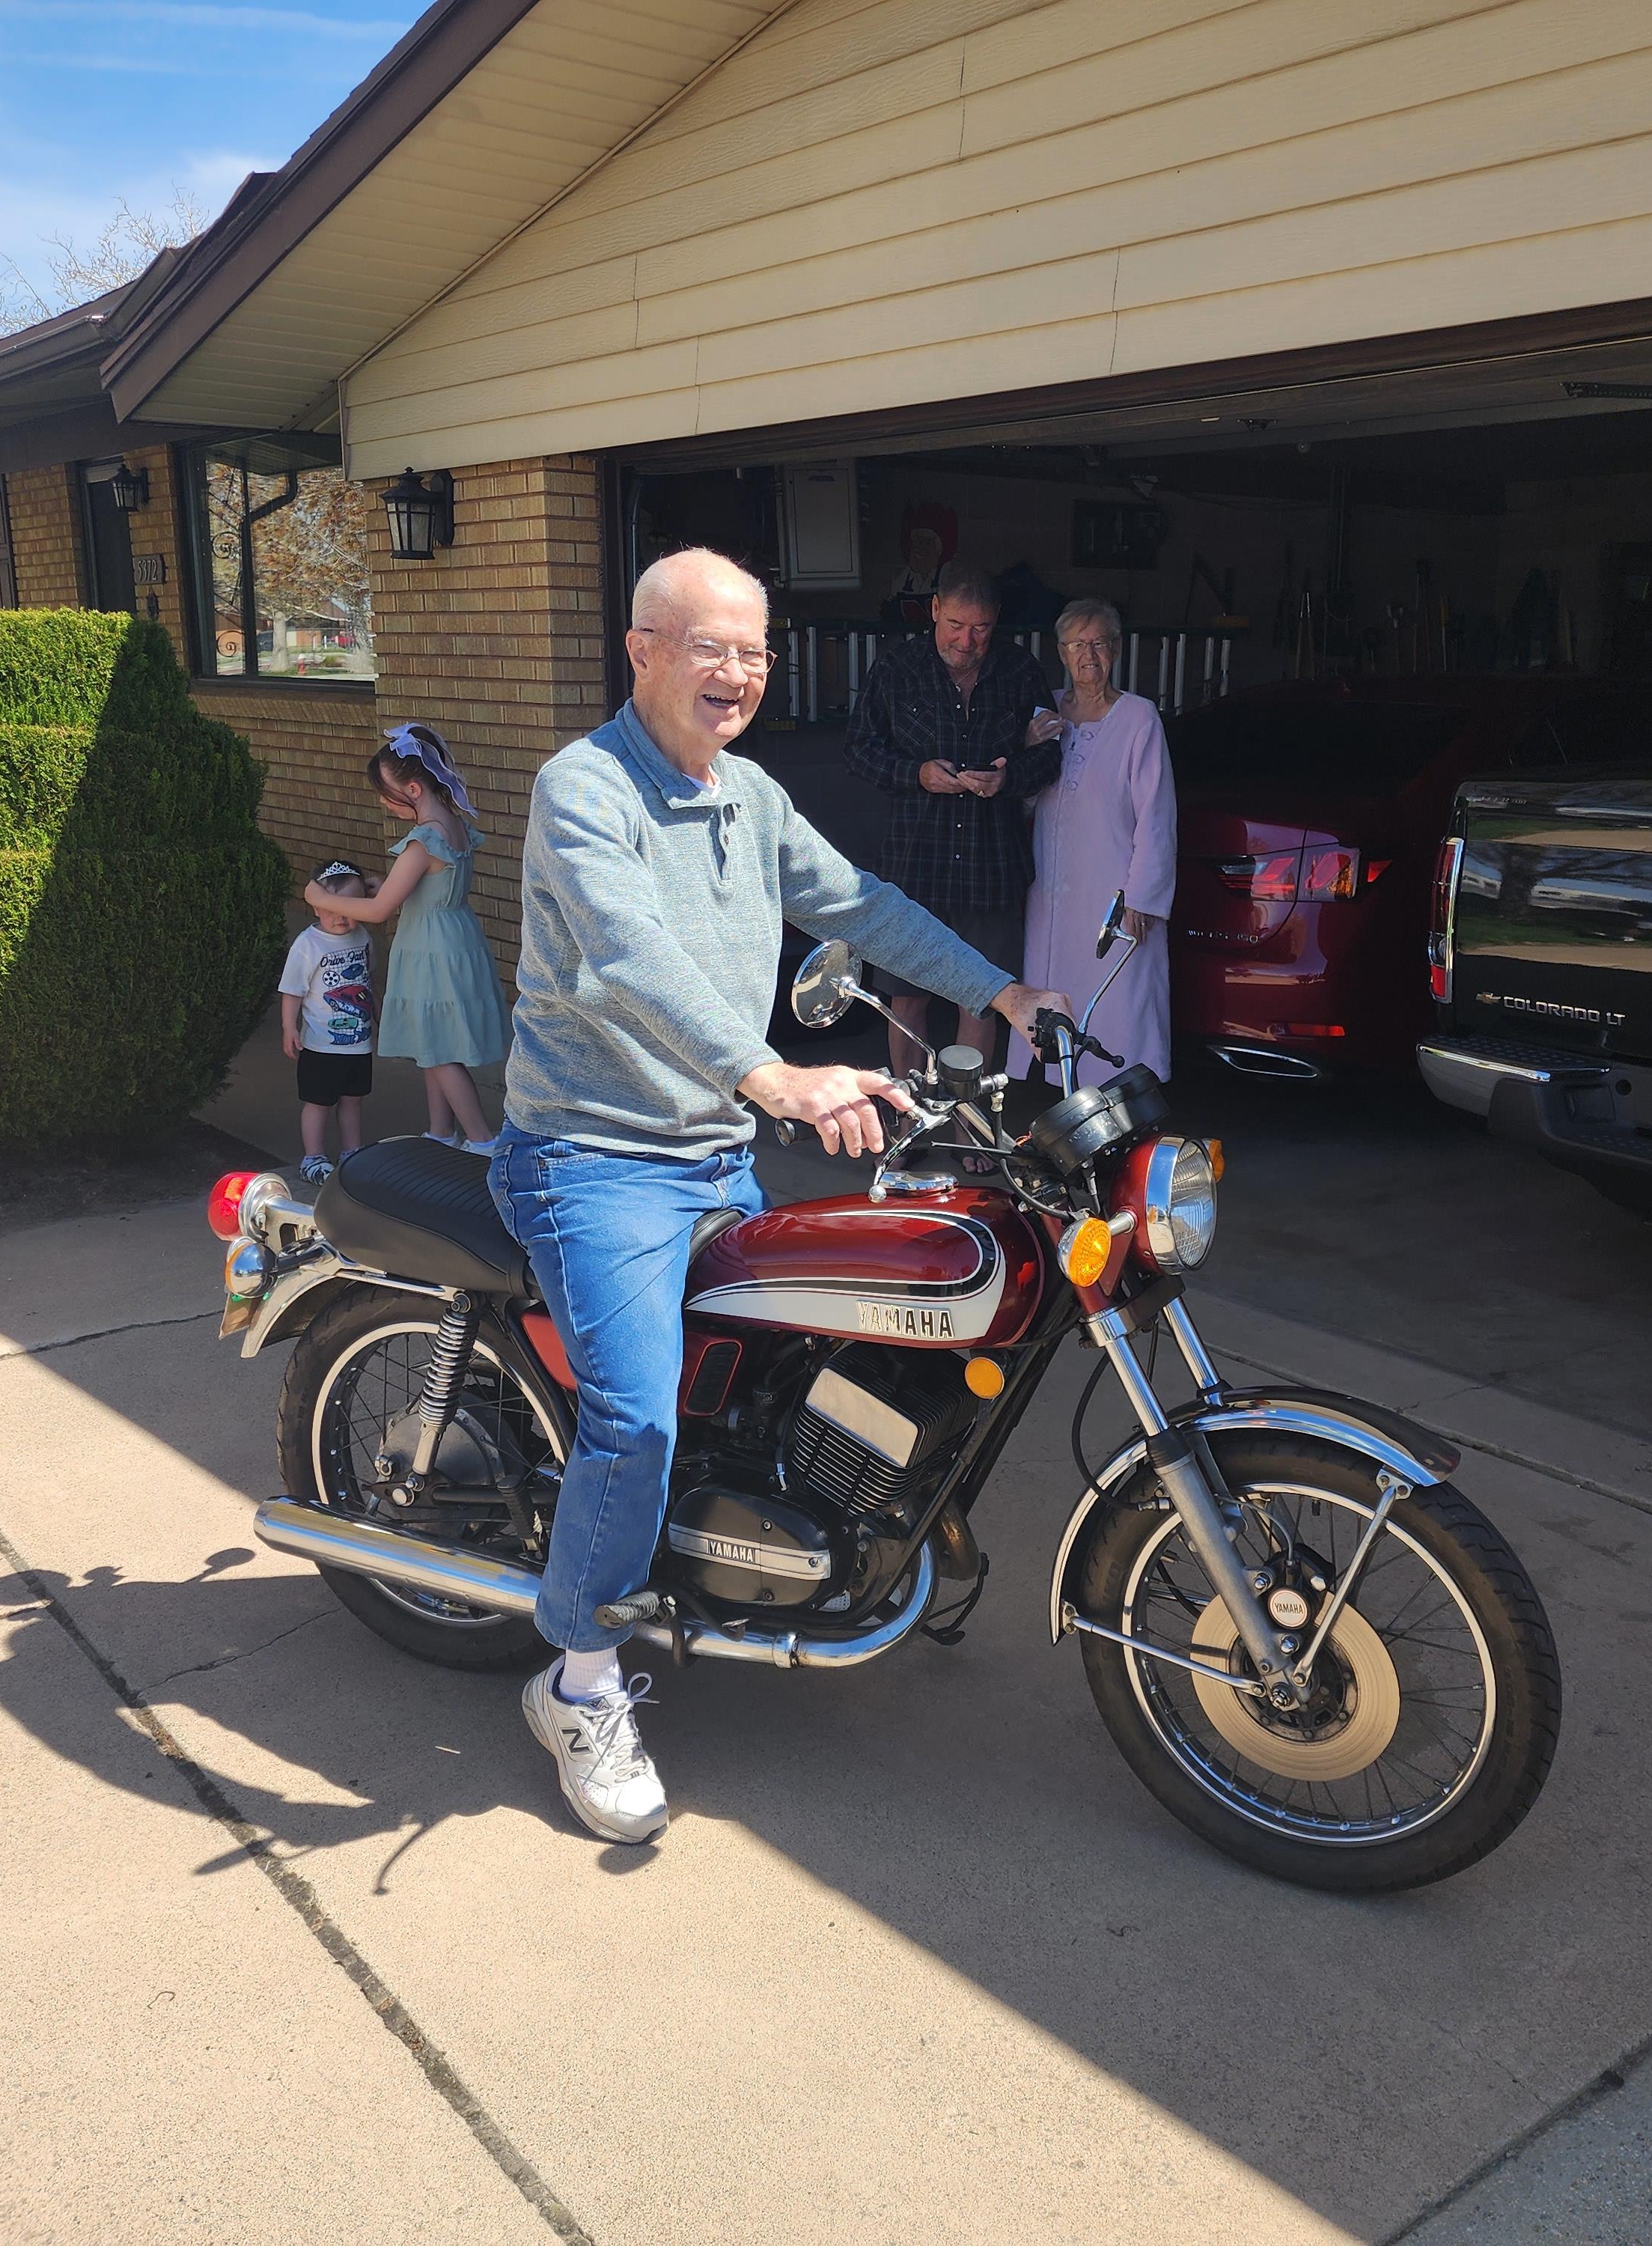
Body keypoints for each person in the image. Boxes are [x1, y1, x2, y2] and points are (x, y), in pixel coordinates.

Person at [491, 546, 1067, 1845]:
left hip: (710, 1146)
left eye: (754, 651)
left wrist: (1002, 989)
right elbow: (630, 956)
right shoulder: (584, 789)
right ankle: (578, 1679)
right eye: (711, 647)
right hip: (594, 1154)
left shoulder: (749, 796)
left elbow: (858, 902)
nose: (738, 673)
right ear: (641, 651)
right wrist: (773, 1075)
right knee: (637, 1416)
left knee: (795, 1362)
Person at [845, 559, 1064, 1073]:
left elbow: (1051, 754)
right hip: (917, 861)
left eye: (982, 629)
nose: (967, 641)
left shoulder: (1018, 670)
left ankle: (970, 1128)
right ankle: (910, 1120)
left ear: (997, 621)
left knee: (984, 997)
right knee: (907, 995)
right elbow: (858, 750)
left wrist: (1007, 779)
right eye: (957, 626)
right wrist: (915, 773)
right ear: (935, 610)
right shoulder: (896, 668)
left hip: (993, 863)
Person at [305, 725, 508, 1154]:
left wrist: (322, 898)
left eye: (387, 793)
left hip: (430, 949)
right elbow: (425, 887)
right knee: (432, 1042)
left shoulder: (422, 842)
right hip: (454, 936)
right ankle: (439, 1132)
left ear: (413, 788)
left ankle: (482, 1140)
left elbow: (379, 912)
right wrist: (386, 882)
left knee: (438, 1051)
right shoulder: (452, 825)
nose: (382, 801)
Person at [1012, 597, 1175, 1082]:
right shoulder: (1044, 716)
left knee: (1119, 990)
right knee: (1054, 983)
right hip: (1053, 888)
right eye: (1078, 645)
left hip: (1115, 892)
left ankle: (1126, 1084)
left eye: (1100, 644)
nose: (1090, 656)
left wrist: (1143, 897)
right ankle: (1057, 1080)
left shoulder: (1140, 718)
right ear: (1061, 653)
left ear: (1117, 650)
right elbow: (1021, 798)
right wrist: (1028, 749)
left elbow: (1157, 816)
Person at [278, 862, 377, 1189]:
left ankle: (352, 1152)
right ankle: (314, 1157)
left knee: (353, 1099)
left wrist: (379, 1016)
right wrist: (289, 1028)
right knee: (318, 1102)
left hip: (358, 1043)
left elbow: (367, 981)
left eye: (349, 908)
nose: (341, 916)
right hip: (321, 1044)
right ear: (316, 905)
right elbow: (293, 989)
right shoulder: (308, 944)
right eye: (332, 908)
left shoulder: (362, 936)